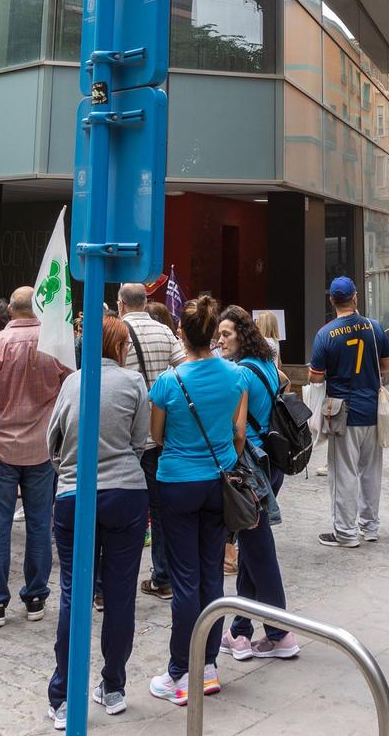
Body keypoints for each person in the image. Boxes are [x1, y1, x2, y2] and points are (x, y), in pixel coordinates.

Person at [43, 315, 150, 728]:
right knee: (121, 594)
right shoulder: (133, 383)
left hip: (74, 493)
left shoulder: (73, 382)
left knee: (74, 593)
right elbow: (140, 440)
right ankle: (114, 685)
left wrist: (69, 469)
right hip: (126, 493)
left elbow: (52, 439)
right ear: (119, 347)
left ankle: (64, 694)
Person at [146, 296, 249, 706]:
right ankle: (207, 666)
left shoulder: (169, 383)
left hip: (178, 483)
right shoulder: (236, 376)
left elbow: (157, 437)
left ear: (182, 335)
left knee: (184, 578)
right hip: (218, 480)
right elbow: (238, 433)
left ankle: (180, 670)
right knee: (211, 574)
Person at [0, 285, 70, 629]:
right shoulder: (56, 344)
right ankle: (36, 596)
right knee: (40, 523)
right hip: (41, 448)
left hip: (0, 446)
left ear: (9, 309)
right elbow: (72, 388)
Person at [215, 306, 299, 661]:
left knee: (260, 551)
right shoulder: (266, 364)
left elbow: (234, 427)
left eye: (226, 335)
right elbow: (284, 383)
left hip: (249, 467)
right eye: (218, 335)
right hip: (271, 464)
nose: (220, 341)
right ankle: (241, 630)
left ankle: (281, 634)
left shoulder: (238, 374)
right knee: (251, 549)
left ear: (242, 336)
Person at [309, 276, 389, 549]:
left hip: (342, 411)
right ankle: (370, 527)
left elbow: (315, 376)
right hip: (371, 409)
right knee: (371, 472)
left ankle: (345, 533)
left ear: (332, 300)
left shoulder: (325, 334)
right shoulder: (374, 327)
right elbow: (388, 364)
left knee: (343, 473)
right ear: (355, 297)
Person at [119, 281, 185, 599]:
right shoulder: (164, 331)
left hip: (127, 434)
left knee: (126, 511)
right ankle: (163, 577)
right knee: (160, 510)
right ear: (146, 301)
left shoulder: (115, 332)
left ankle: (117, 580)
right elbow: (184, 369)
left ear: (121, 304)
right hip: (162, 434)